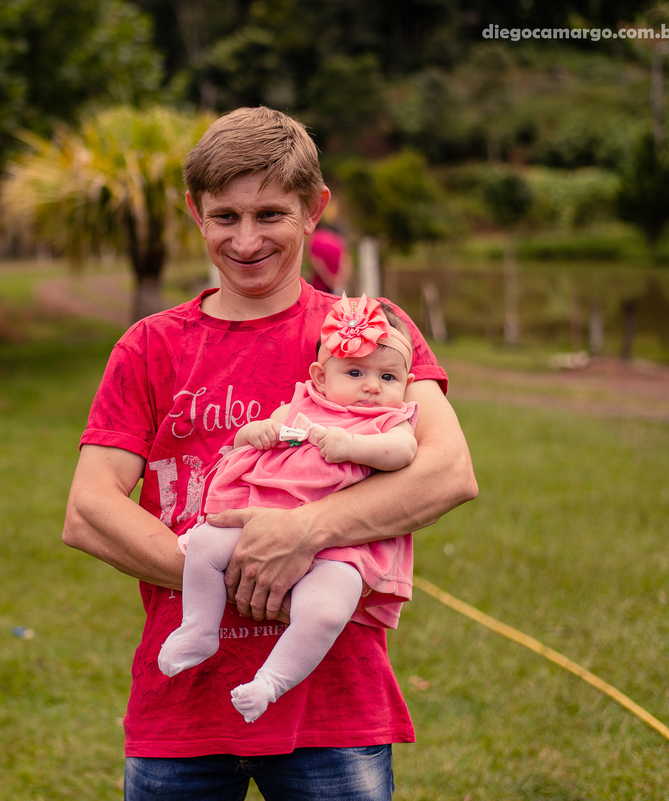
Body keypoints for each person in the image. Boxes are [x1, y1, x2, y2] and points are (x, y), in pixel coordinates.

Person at [62, 107, 477, 800]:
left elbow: (447, 470)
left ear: (316, 209)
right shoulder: (150, 345)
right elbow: (89, 508)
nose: (246, 239)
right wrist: (238, 570)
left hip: (333, 706)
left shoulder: (366, 335)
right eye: (225, 216)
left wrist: (306, 533)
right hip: (183, 705)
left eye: (271, 214)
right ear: (197, 214)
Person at [159, 295, 419, 725]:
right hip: (259, 516)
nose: (372, 386)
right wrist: (256, 431)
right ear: (320, 375)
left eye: (388, 377)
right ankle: (199, 629)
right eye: (355, 372)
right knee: (204, 545)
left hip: (339, 546)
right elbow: (254, 439)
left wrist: (353, 446)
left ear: (405, 384)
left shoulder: (387, 423)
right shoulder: (303, 406)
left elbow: (403, 453)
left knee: (326, 611)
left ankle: (271, 682)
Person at [306, 223, 350, 295]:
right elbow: (346, 262)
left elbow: (316, 263)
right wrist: (339, 282)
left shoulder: (314, 238)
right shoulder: (337, 239)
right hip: (338, 287)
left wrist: (329, 280)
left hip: (320, 288)